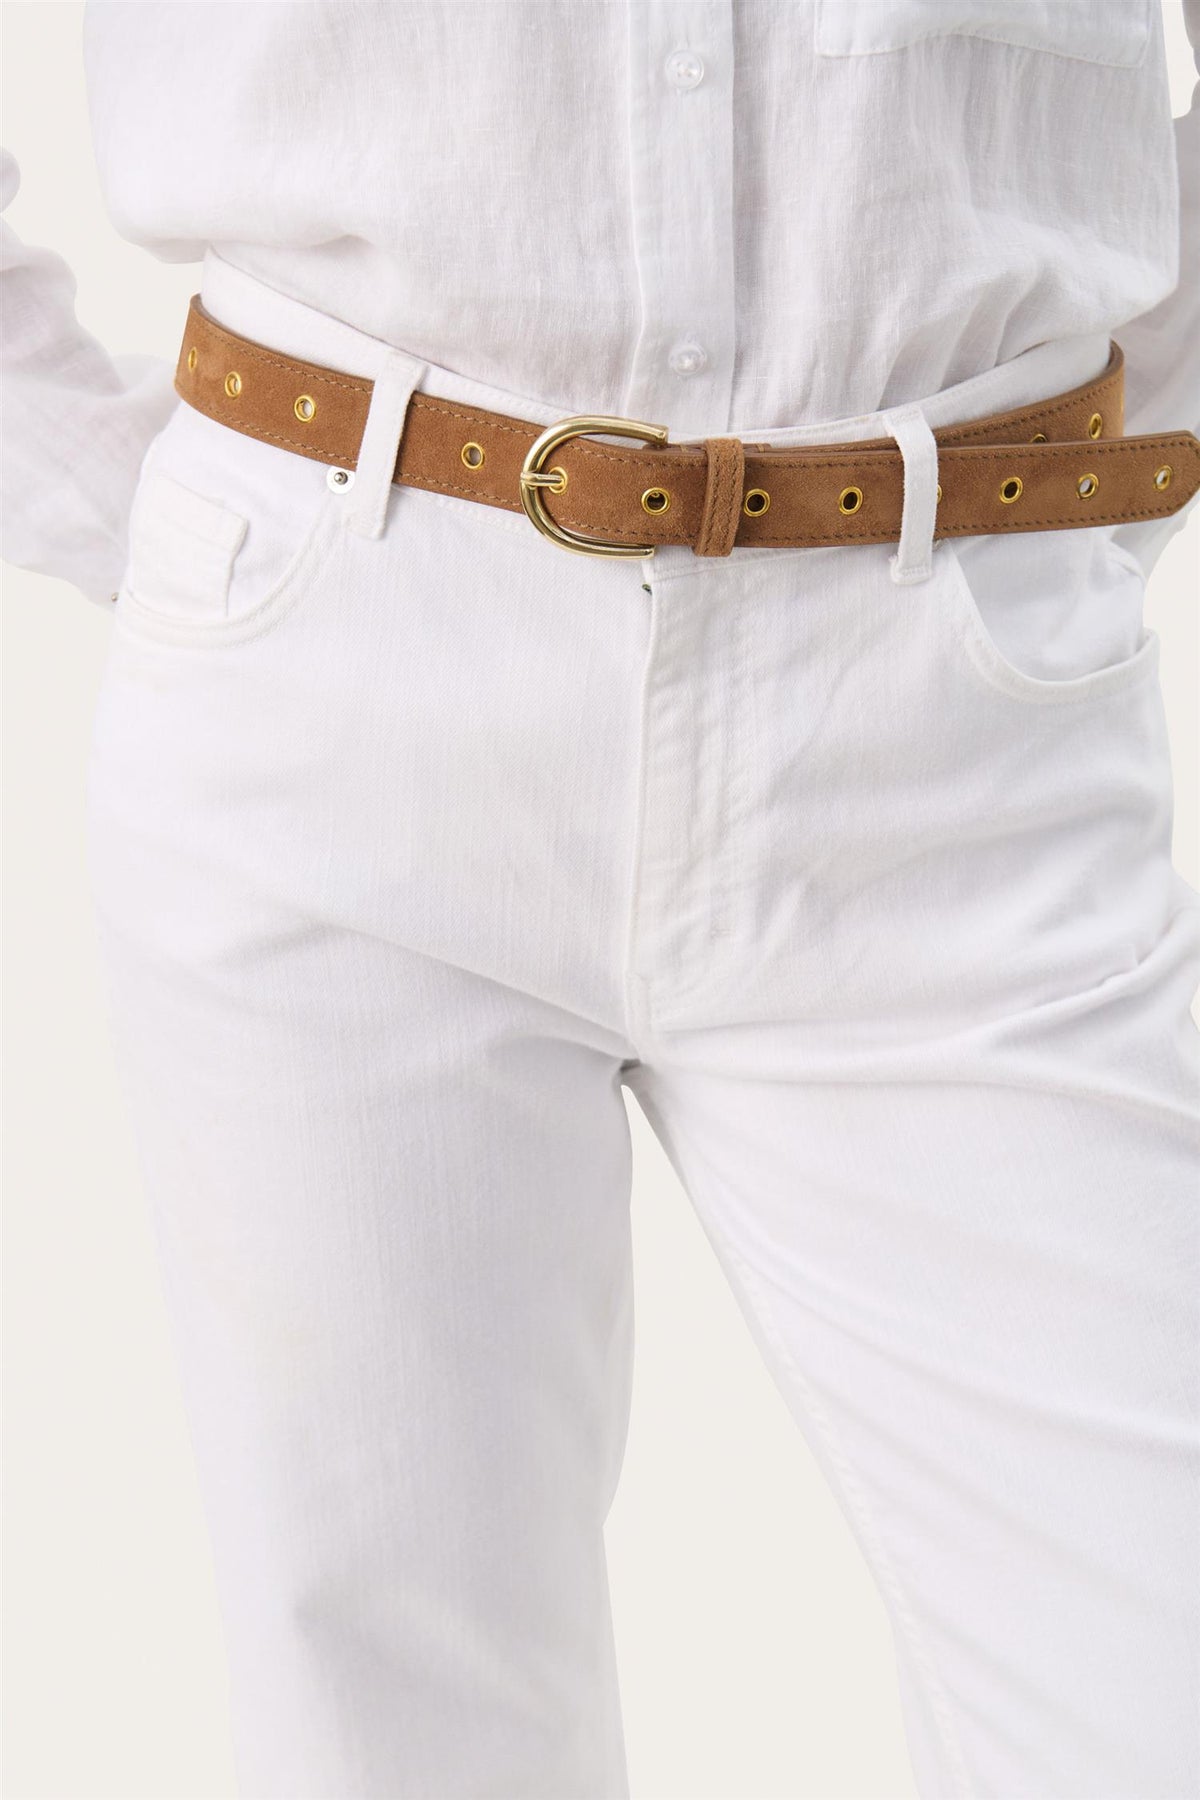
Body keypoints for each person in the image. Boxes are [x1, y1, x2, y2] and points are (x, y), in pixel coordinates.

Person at [3, 3, 1198, 1795]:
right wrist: (139, 508)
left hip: (961, 737)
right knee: (394, 1720)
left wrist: (1057, 503)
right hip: (336, 660)